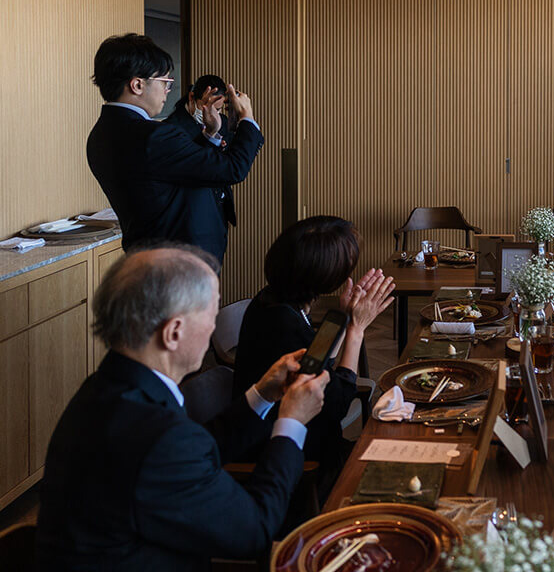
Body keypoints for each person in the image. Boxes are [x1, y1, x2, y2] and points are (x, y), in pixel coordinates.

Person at [37, 245, 331, 571]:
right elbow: (255, 531)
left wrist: (262, 394)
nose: (212, 327)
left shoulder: (105, 388)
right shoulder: (157, 437)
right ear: (174, 332)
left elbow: (192, 455)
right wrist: (291, 422)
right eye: (210, 314)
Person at [233, 216, 395, 484]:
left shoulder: (272, 300)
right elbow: (336, 405)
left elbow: (317, 357)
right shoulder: (281, 323)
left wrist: (343, 316)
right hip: (295, 460)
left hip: (297, 438)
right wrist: (356, 329)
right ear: (328, 277)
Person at [86, 34, 264, 266]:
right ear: (138, 84)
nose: (168, 91)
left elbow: (172, 175)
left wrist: (209, 135)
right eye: (165, 83)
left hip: (147, 257)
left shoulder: (100, 134)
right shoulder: (152, 135)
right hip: (181, 263)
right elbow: (233, 169)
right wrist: (247, 119)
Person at [163, 74, 240, 261]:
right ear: (192, 97)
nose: (214, 114)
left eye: (218, 109)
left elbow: (231, 158)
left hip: (218, 212)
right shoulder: (172, 129)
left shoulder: (221, 121)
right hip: (191, 217)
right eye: (208, 106)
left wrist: (237, 118)